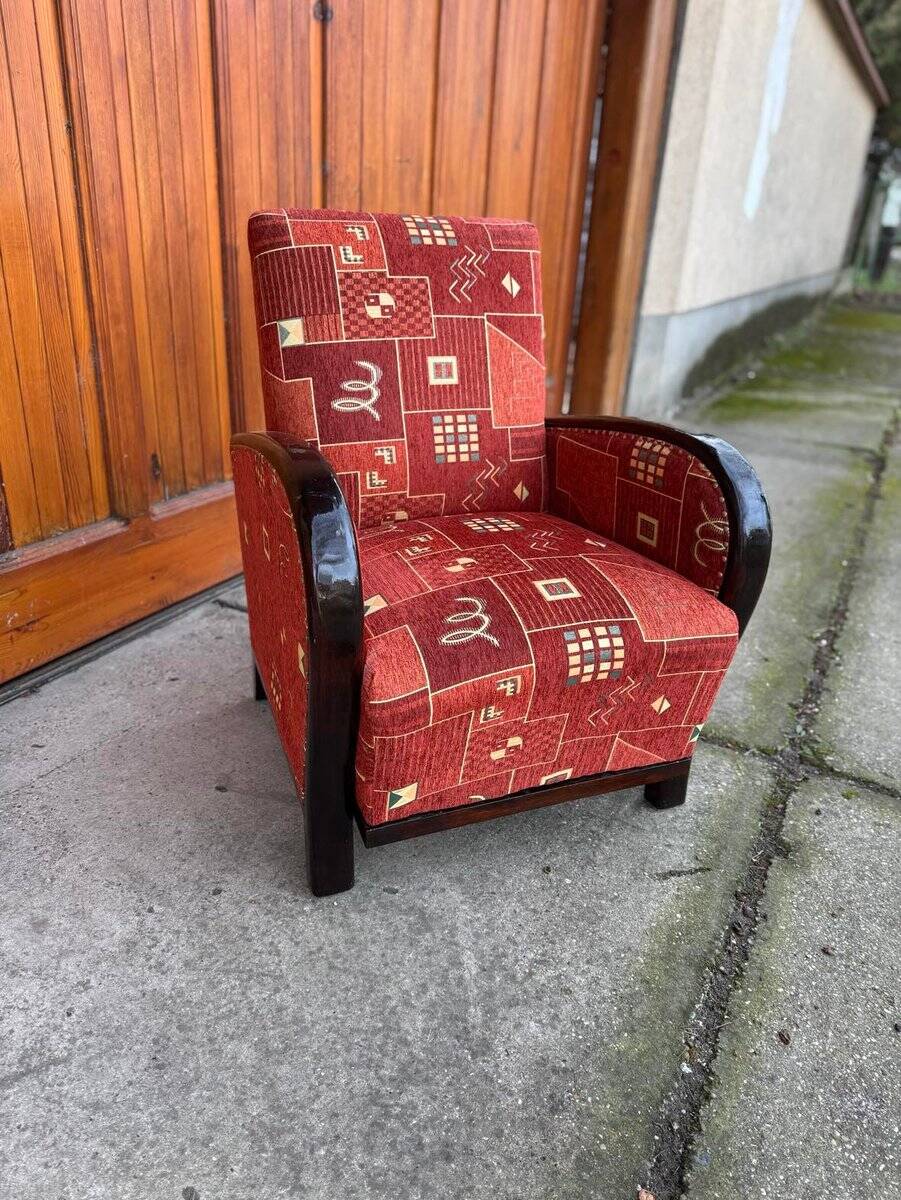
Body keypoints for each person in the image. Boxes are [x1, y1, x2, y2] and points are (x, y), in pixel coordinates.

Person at [870, 173, 901, 282]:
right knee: (881, 250)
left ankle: (877, 276)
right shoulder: (894, 184)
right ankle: (874, 275)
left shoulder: (895, 186)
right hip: (885, 223)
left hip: (891, 224)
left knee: (884, 251)